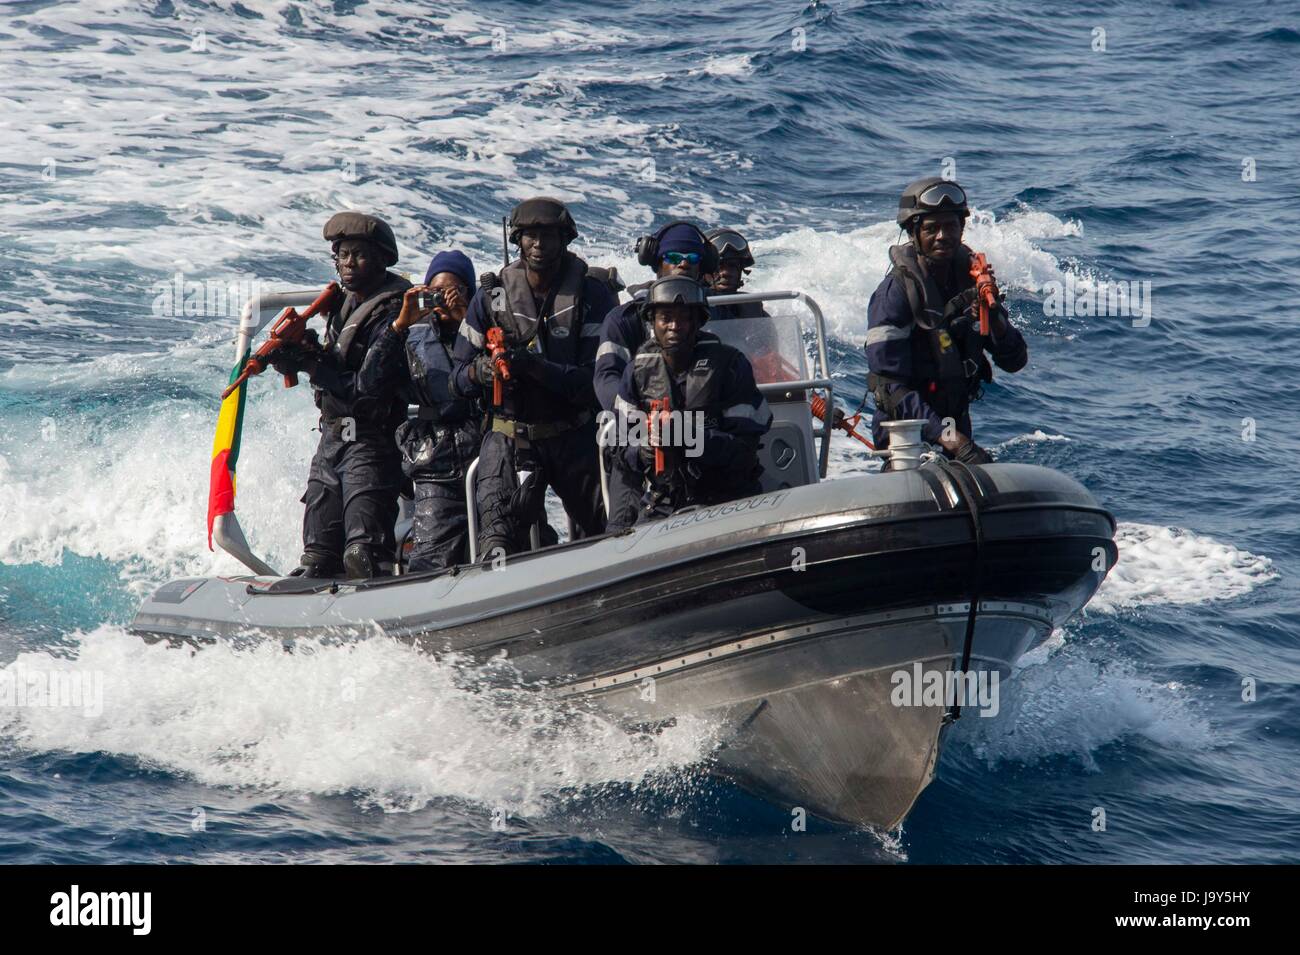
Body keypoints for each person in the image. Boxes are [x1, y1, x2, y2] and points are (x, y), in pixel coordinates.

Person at [450, 197, 617, 558]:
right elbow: (456, 379)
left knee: (613, 529)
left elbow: (597, 383)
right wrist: (483, 371)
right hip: (509, 436)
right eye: (531, 236)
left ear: (565, 240)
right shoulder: (490, 298)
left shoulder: (591, 295)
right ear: (518, 241)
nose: (539, 245)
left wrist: (533, 366)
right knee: (497, 542)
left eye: (549, 236)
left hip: (573, 433)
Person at [271, 211, 411, 578]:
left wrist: (313, 366)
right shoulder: (341, 305)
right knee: (316, 557)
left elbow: (367, 388)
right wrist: (301, 354)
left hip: (371, 441)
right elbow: (336, 363)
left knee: (362, 555)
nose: (348, 264)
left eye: (359, 255)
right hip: (332, 440)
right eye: (342, 255)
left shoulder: (396, 311)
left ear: (382, 258)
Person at [865, 177, 1028, 464]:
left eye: (951, 226)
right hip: (906, 439)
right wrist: (954, 442)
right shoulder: (894, 295)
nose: (943, 235)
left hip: (956, 428)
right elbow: (889, 389)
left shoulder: (973, 283)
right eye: (931, 228)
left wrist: (995, 320)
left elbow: (1015, 361)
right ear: (913, 233)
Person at [610, 275, 771, 528]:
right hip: (664, 502)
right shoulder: (637, 372)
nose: (675, 326)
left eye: (684, 318)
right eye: (666, 318)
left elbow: (744, 450)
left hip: (728, 497)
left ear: (698, 322)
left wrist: (689, 436)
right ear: (653, 322)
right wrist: (643, 451)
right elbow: (618, 449)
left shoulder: (731, 366)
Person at [594, 222, 720, 529]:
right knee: (623, 529)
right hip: (641, 439)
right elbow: (606, 378)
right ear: (656, 260)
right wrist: (643, 422)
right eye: (673, 256)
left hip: (707, 440)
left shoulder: (725, 312)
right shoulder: (624, 319)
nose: (681, 264)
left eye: (691, 259)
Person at [363, 250, 482, 572]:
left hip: (487, 453)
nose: (442, 299)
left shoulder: (486, 328)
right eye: (435, 292)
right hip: (435, 462)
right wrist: (399, 325)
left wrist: (466, 324)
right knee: (431, 556)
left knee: (510, 538)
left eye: (453, 291)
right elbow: (369, 383)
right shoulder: (411, 335)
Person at [705, 227, 768, 319]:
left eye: (732, 266)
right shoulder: (689, 308)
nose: (726, 273)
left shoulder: (752, 306)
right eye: (718, 267)